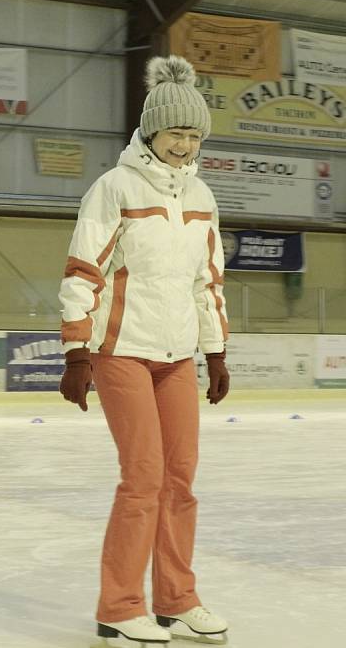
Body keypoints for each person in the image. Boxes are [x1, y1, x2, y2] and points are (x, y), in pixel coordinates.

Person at [58, 55, 230, 646]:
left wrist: (215, 352)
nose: (184, 144)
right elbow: (85, 269)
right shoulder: (114, 188)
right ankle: (120, 604)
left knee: (180, 478)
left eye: (193, 134)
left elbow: (207, 283)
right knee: (144, 477)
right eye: (175, 132)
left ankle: (176, 600)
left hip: (177, 354)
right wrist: (77, 350)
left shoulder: (203, 197)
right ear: (151, 131)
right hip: (123, 351)